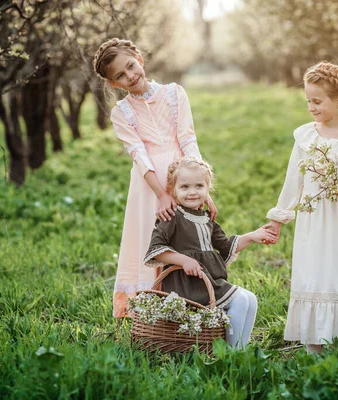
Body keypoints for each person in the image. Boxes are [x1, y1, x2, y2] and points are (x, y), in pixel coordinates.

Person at [92, 38, 217, 317]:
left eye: (131, 66)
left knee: (187, 238)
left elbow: (187, 138)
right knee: (155, 240)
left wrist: (203, 188)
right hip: (149, 186)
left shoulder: (174, 94)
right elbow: (139, 155)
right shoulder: (121, 112)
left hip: (184, 175)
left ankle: (191, 302)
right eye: (120, 76)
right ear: (114, 84)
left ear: (139, 59)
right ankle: (152, 310)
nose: (130, 76)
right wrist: (161, 194)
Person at [265, 61, 338, 354]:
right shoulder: (306, 136)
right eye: (308, 101)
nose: (311, 107)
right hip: (313, 220)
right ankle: (314, 341)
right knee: (315, 271)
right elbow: (294, 180)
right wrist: (279, 217)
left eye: (317, 101)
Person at [144, 157, 277, 348]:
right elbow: (156, 250)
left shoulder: (207, 219)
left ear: (208, 189)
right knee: (239, 300)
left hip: (208, 282)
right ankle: (232, 352)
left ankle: (240, 349)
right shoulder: (172, 217)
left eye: (199, 186)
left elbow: (226, 246)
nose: (192, 192)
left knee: (251, 299)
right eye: (185, 187)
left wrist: (252, 236)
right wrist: (183, 260)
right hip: (186, 285)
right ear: (173, 190)